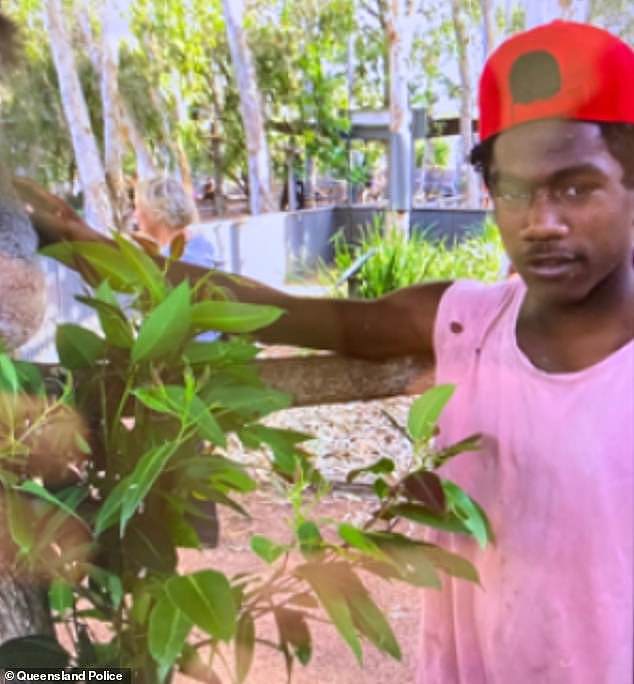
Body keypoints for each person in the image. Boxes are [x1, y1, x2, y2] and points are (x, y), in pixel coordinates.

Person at [16, 20, 633, 684]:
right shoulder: (466, 325)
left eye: (576, 187)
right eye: (514, 191)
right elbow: (275, 311)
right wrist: (86, 247)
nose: (541, 221)